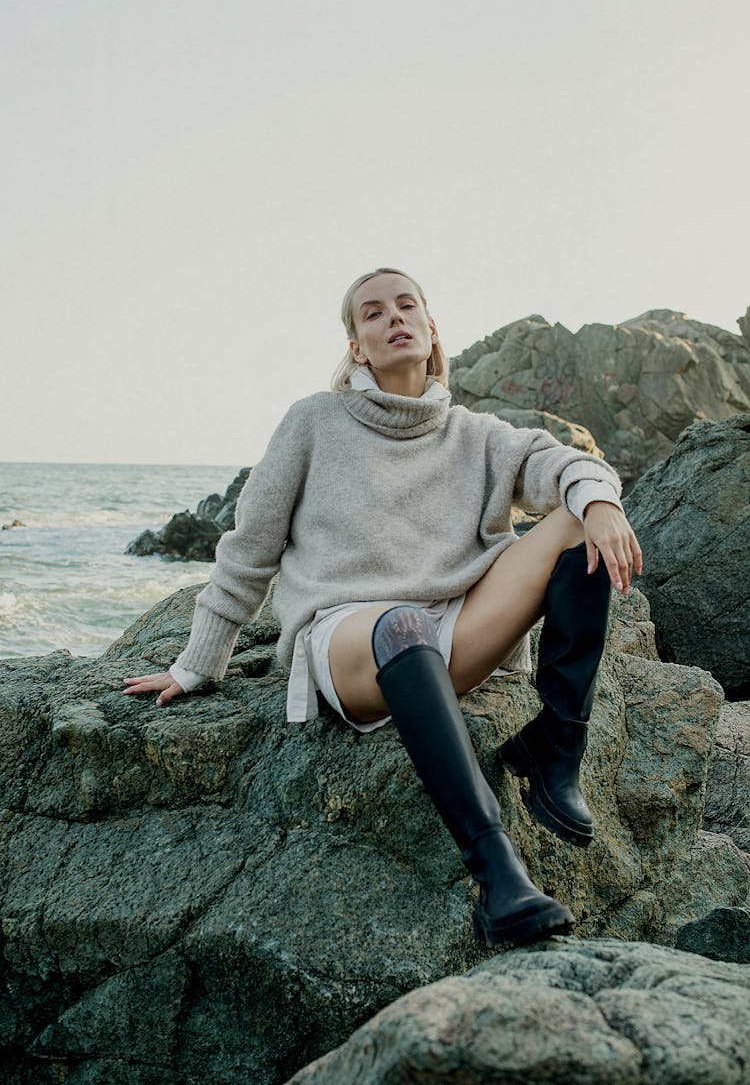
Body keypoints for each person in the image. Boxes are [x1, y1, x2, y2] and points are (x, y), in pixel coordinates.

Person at [124, 267, 642, 948]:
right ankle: (498, 873)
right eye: (373, 313)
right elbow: (248, 548)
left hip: (457, 630)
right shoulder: (313, 421)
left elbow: (567, 465)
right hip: (350, 641)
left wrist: (600, 503)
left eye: (407, 305)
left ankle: (555, 750)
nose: (393, 317)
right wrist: (197, 664)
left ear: (431, 332)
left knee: (578, 520)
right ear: (358, 346)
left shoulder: (477, 434)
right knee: (402, 625)